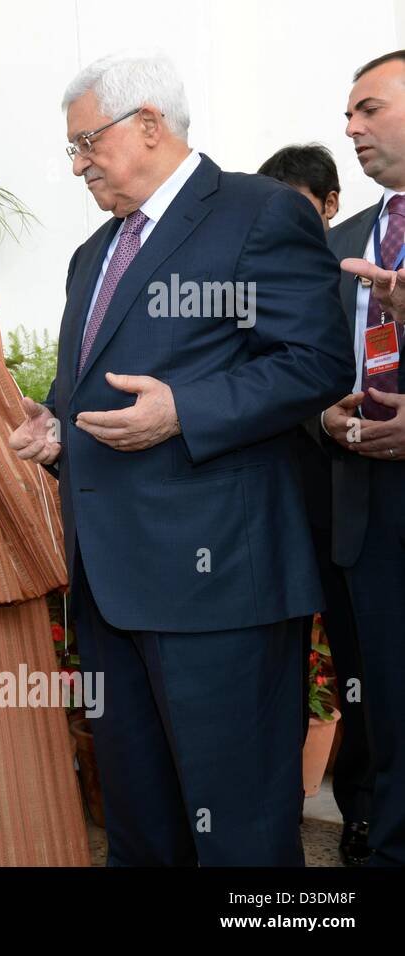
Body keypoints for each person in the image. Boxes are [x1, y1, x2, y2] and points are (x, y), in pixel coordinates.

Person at [9, 52, 354, 865]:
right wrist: (55, 431)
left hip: (219, 592)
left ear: (151, 125)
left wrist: (184, 412)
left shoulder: (259, 213)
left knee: (238, 832)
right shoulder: (93, 254)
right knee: (140, 829)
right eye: (73, 148)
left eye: (87, 141)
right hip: (110, 591)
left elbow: (315, 361)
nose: (79, 162)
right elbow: (89, 396)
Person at [257, 143, 373, 867]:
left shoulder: (358, 257)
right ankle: (288, 815)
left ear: (330, 204)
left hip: (366, 497)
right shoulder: (269, 274)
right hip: (289, 503)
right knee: (286, 668)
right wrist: (316, 414)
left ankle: (364, 813)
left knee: (367, 667)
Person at [320, 48, 405, 868]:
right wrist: (319, 410)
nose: (350, 128)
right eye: (347, 113)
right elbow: (298, 362)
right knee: (373, 702)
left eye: (368, 109)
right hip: (356, 511)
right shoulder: (338, 241)